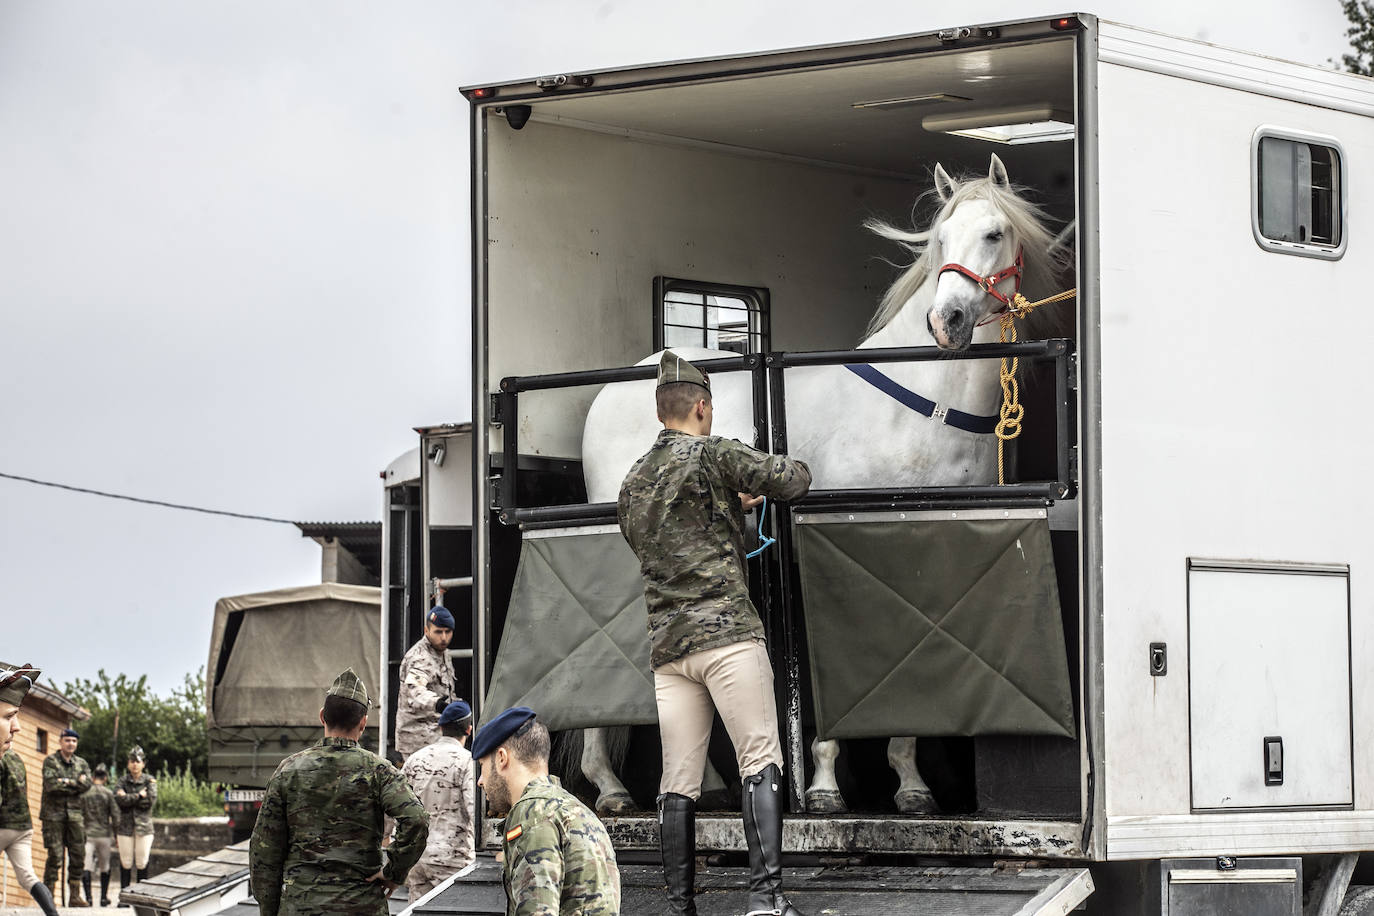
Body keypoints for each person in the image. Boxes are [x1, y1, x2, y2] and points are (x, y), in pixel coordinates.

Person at [618, 350, 812, 916]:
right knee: (758, 760)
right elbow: (792, 480)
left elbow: (665, 547)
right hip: (727, 638)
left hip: (669, 651)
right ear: (701, 407)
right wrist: (748, 492)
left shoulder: (632, 482)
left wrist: (731, 509)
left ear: (661, 412)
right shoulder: (714, 454)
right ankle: (765, 899)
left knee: (677, 780)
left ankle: (680, 906)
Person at [249, 667, 428, 916]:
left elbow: (264, 850)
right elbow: (416, 819)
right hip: (361, 906)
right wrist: (394, 872)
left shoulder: (288, 770)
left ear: (322, 716)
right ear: (363, 722)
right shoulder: (379, 771)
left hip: (301, 906)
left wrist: (269, 910)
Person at [473, 706, 619, 916]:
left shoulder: (533, 813)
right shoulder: (579, 810)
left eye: (482, 766)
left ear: (502, 758)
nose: (480, 780)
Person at [0, 664, 62, 916]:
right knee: (29, 877)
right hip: (23, 827)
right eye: (7, 716)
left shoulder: (4, 758)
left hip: (4, 825)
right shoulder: (15, 760)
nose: (17, 728)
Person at [400, 700, 475, 902]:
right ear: (469, 729)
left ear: (441, 727)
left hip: (417, 858)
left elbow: (396, 805)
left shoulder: (415, 759)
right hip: (452, 859)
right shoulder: (467, 761)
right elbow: (473, 808)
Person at [394, 606, 458, 757]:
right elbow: (414, 690)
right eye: (438, 632)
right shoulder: (420, 658)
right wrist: (437, 703)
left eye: (447, 632)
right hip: (418, 738)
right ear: (426, 630)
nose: (443, 637)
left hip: (436, 735)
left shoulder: (443, 654)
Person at [41, 726, 93, 907]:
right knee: (55, 856)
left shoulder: (82, 764)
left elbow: (87, 785)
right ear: (60, 741)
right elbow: (51, 786)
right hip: (53, 816)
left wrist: (64, 781)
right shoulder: (51, 761)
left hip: (75, 815)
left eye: (74, 741)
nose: (71, 744)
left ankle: (75, 896)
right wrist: (75, 782)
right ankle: (48, 897)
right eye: (67, 740)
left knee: (78, 854)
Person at [113, 746, 156, 902]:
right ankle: (124, 899)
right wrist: (138, 795)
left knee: (142, 861)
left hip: (144, 827)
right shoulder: (122, 781)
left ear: (143, 763)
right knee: (126, 862)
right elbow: (119, 801)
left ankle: (140, 898)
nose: (134, 765)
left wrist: (128, 797)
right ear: (127, 763)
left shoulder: (149, 781)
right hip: (125, 827)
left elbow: (149, 802)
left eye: (137, 761)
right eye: (132, 761)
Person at [82, 763, 118, 906]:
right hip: (104, 834)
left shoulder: (85, 794)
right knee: (105, 866)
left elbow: (79, 814)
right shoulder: (108, 794)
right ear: (105, 778)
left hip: (88, 833)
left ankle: (88, 898)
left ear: (92, 777)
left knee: (86, 865)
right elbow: (115, 815)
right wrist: (116, 834)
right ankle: (103, 897)